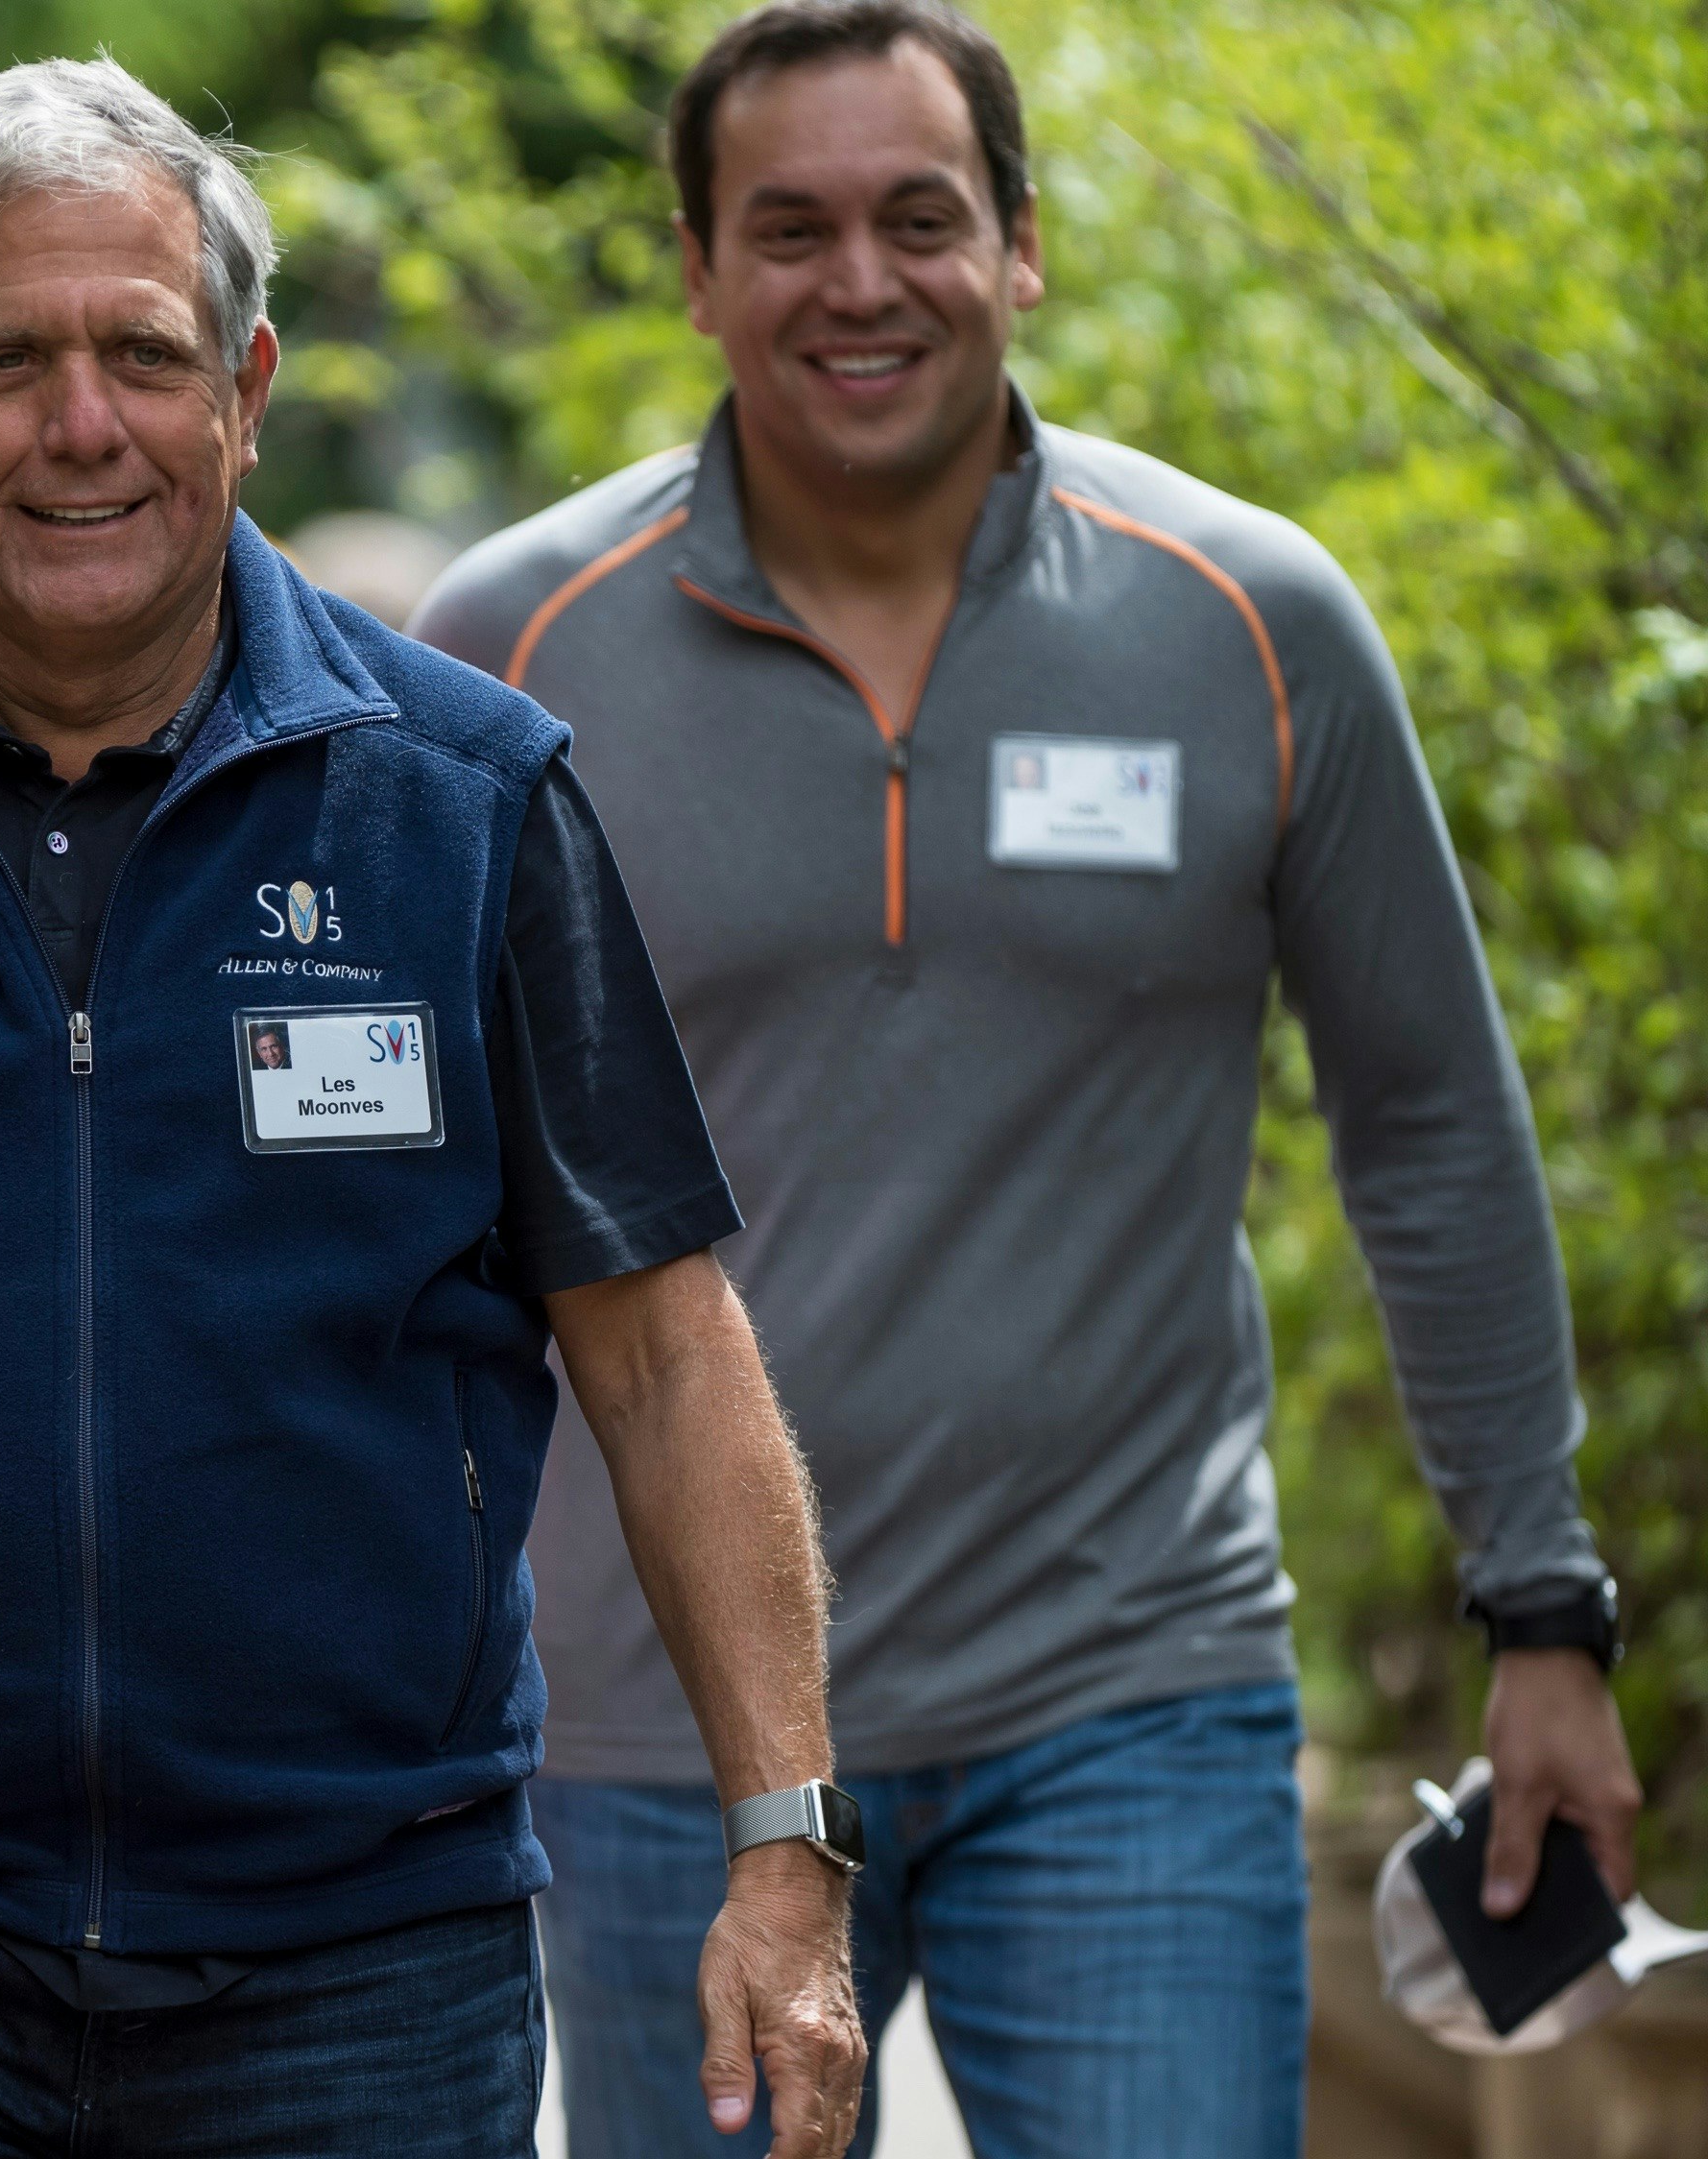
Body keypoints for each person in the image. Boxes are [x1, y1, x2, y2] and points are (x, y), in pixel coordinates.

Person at [0, 57, 864, 2159]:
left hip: (365, 1931)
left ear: (247, 387)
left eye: (142, 351)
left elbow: (661, 1350)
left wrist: (783, 1840)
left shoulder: (461, 803)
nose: (81, 422)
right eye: (6, 359)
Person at [407, 7, 1643, 2154]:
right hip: (658, 1720)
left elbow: (1427, 1121)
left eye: (918, 216)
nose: (857, 281)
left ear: (1022, 246)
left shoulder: (1249, 620)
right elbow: (391, 1185)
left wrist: (1535, 1600)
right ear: (693, 270)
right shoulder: (511, 648)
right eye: (784, 227)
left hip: (1128, 1686)